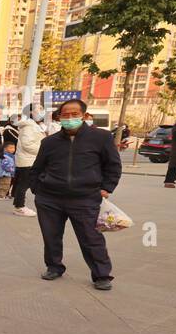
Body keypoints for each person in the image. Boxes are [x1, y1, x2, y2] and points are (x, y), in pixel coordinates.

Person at [30, 98, 122, 291]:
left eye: (74, 114)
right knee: (51, 236)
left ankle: (101, 274)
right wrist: (37, 188)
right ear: (59, 117)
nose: (69, 118)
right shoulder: (49, 142)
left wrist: (107, 187)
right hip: (50, 198)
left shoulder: (101, 137)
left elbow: (113, 165)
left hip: (85, 198)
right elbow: (37, 167)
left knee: (91, 238)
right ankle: (54, 267)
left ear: (84, 116)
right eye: (65, 115)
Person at [12, 103, 45, 216]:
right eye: (39, 109)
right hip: (28, 160)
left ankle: (19, 205)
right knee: (23, 185)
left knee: (23, 184)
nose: (41, 111)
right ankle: (19, 207)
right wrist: (43, 152)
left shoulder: (34, 126)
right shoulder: (29, 127)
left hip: (30, 159)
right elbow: (27, 145)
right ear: (31, 112)